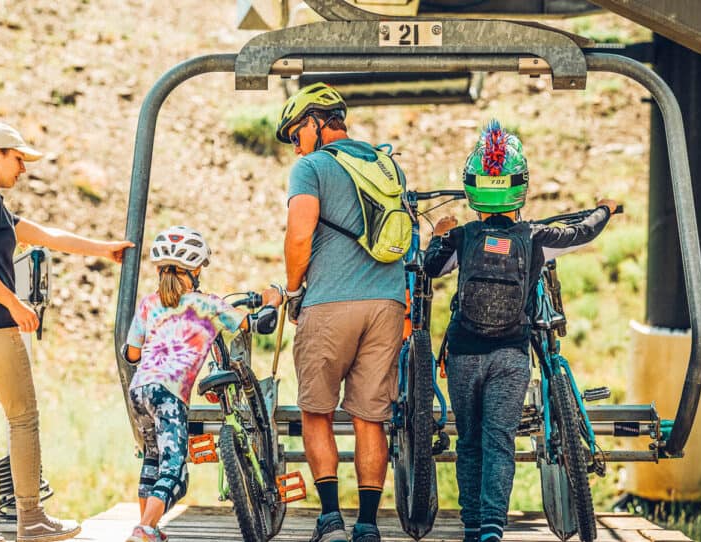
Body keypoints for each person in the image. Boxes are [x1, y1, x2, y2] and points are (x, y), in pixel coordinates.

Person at [0, 122, 133, 542]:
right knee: (24, 419)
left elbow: (45, 236)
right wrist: (14, 303)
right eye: (18, 159)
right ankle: (32, 519)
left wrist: (103, 248)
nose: (23, 169)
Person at [423, 120, 618, 542]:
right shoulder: (534, 237)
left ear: (472, 187)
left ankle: (472, 525)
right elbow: (582, 232)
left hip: (462, 353)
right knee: (499, 442)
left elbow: (430, 269)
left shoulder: (464, 236)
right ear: (520, 186)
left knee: (470, 441)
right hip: (511, 355)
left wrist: (438, 235)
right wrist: (606, 207)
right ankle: (493, 526)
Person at [264, 82, 407, 542]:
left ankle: (330, 519)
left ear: (314, 122)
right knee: (370, 417)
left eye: (294, 133)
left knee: (317, 410)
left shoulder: (312, 167)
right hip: (387, 302)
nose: (294, 145)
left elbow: (300, 234)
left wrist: (290, 289)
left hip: (330, 303)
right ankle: (366, 524)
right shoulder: (387, 165)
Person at [123, 226, 280, 542]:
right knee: (174, 471)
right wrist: (272, 301)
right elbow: (254, 324)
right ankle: (145, 529)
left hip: (139, 391)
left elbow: (131, 353)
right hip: (168, 395)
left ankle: (148, 528)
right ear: (194, 270)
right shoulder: (208, 305)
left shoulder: (148, 303)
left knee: (153, 460)